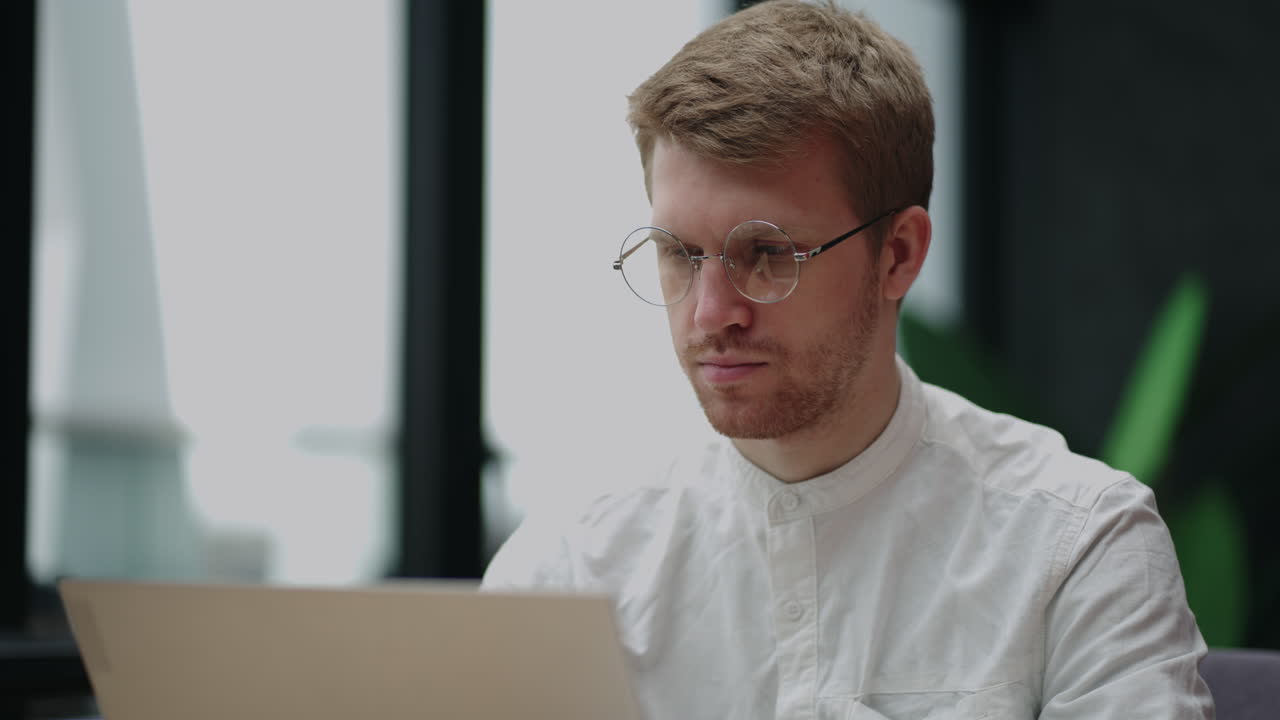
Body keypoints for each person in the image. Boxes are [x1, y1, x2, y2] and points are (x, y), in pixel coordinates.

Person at [483, 1, 1215, 718]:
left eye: (767, 254)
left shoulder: (1076, 545)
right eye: (680, 255)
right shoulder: (572, 565)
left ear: (897, 255)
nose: (711, 314)